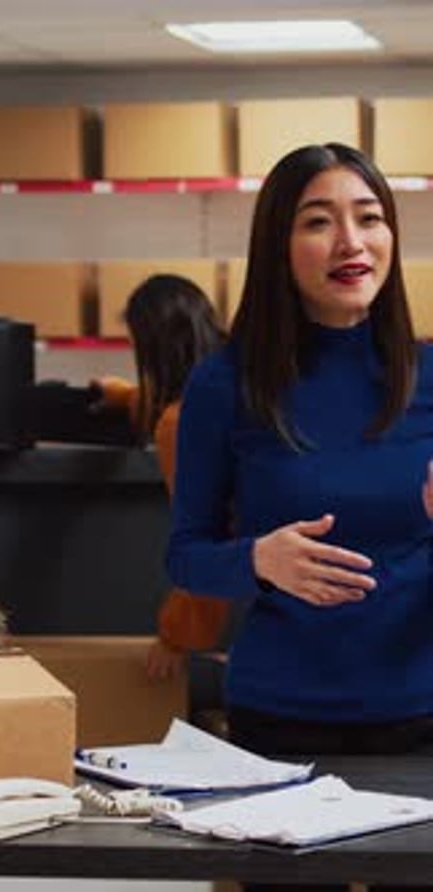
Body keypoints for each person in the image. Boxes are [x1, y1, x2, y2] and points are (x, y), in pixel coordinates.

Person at [166, 142, 433, 892]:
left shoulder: (431, 374)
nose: (351, 242)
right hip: (281, 723)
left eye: (370, 218)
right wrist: (255, 559)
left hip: (421, 717)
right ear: (279, 245)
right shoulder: (225, 384)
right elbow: (184, 555)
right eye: (320, 221)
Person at [96, 273, 230, 681]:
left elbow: (209, 538)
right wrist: (122, 394)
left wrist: (178, 636)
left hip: (247, 611)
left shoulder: (181, 423)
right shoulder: (235, 381)